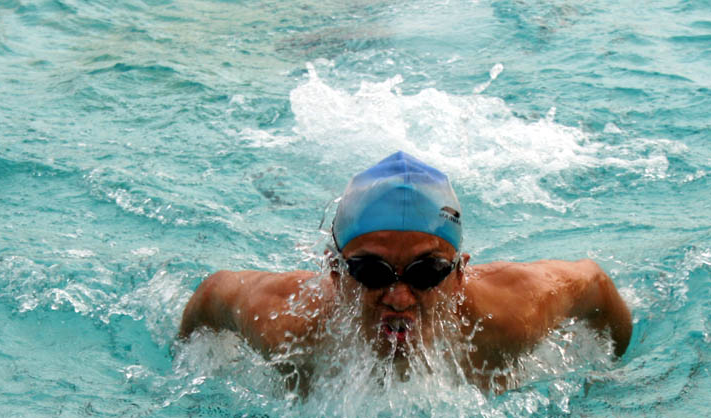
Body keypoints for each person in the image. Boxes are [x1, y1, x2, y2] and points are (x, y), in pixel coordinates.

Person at [179, 151, 632, 392]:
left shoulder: (512, 314)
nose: (398, 297)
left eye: (426, 272)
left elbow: (594, 283)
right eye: (372, 272)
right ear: (335, 273)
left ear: (459, 276)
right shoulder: (287, 325)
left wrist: (608, 378)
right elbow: (212, 295)